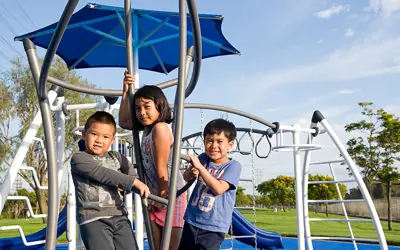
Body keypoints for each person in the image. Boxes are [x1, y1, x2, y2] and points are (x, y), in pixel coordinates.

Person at [119, 71, 187, 250]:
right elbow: (124, 121)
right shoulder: (147, 130)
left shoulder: (160, 129)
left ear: (159, 106)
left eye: (147, 107)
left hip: (170, 195)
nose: (142, 113)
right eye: (137, 108)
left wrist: (161, 197)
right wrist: (126, 92)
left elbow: (162, 168)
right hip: (154, 196)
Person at [71, 111, 150, 250]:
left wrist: (127, 185)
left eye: (105, 137)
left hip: (120, 215)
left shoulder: (117, 157)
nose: (99, 140)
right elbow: (102, 173)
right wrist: (131, 183)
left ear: (112, 140)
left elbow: (131, 173)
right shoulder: (79, 159)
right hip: (93, 218)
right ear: (84, 134)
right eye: (94, 134)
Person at [179, 119, 242, 250]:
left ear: (230, 145)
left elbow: (218, 188)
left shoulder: (233, 166)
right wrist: (191, 172)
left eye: (219, 141)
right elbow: (186, 177)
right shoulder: (203, 158)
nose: (213, 145)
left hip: (213, 226)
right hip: (192, 220)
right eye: (209, 141)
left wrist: (200, 169)